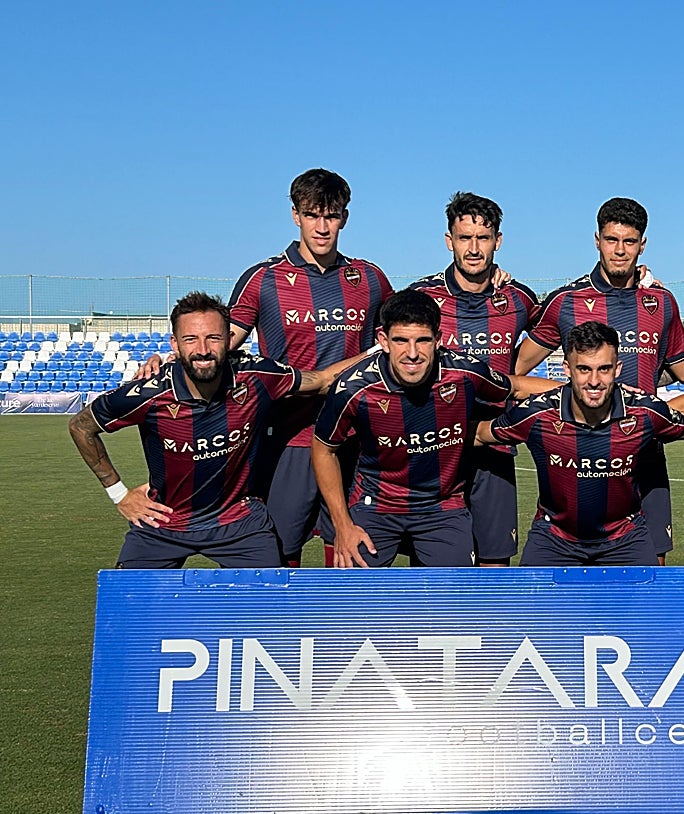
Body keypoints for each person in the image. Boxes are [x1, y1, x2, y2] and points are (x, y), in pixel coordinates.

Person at [135, 169, 393, 568]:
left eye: (331, 215)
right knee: (280, 551)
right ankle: (282, 631)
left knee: (351, 551)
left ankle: (336, 630)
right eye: (312, 215)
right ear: (295, 216)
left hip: (356, 437)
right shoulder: (264, 279)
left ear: (344, 217)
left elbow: (401, 335)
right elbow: (222, 341)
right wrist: (168, 360)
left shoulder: (370, 278)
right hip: (288, 440)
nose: (322, 226)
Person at [67, 292, 346, 568]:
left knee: (266, 609)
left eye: (213, 337)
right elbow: (81, 426)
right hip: (163, 522)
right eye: (191, 339)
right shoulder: (148, 393)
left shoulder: (256, 376)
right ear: (175, 344)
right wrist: (119, 494)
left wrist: (380, 353)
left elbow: (321, 380)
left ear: (229, 339)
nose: (202, 349)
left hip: (239, 522)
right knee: (129, 608)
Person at [311, 291, 555, 568]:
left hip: (442, 507)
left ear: (438, 340)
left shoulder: (466, 374)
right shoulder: (353, 388)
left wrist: (584, 393)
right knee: (358, 600)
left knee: (452, 602)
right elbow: (323, 449)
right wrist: (342, 525)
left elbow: (517, 386)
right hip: (377, 505)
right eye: (401, 340)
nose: (412, 353)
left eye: (423, 341)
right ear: (383, 340)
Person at [514, 198, 684, 562]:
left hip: (645, 456)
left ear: (642, 244)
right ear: (597, 240)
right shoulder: (566, 301)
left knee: (649, 575)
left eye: (629, 242)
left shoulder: (661, 303)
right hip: (579, 457)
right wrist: (571, 392)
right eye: (612, 240)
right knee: (562, 583)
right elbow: (518, 369)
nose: (620, 250)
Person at [481, 321, 684, 566]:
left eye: (604, 369)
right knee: (535, 604)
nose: (594, 381)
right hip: (554, 538)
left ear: (617, 369)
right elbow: (478, 434)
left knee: (647, 604)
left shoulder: (644, 411)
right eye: (584, 369)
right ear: (567, 369)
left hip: (625, 538)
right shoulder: (538, 413)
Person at [408, 192, 539, 567]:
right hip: (432, 450)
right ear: (449, 241)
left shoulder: (519, 299)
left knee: (494, 562)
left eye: (483, 238)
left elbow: (563, 329)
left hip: (495, 447)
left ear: (498, 241)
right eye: (464, 238)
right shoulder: (421, 297)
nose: (474, 248)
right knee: (433, 567)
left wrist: (640, 286)